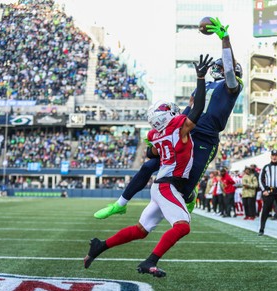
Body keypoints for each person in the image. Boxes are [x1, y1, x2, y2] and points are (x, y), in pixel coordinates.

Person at [93, 17, 243, 219]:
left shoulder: (231, 87)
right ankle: (120, 203)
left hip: (205, 138)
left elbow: (229, 68)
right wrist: (169, 130)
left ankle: (190, 195)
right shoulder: (205, 86)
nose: (219, 68)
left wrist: (225, 39)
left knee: (185, 189)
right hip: (186, 131)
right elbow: (189, 109)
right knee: (149, 164)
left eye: (223, 66)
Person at [83, 54, 211, 278]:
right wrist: (200, 78)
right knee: (183, 226)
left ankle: (99, 247)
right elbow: (198, 109)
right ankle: (150, 261)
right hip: (167, 186)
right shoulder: (178, 130)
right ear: (169, 116)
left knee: (140, 231)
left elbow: (154, 151)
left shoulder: (157, 135)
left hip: (161, 185)